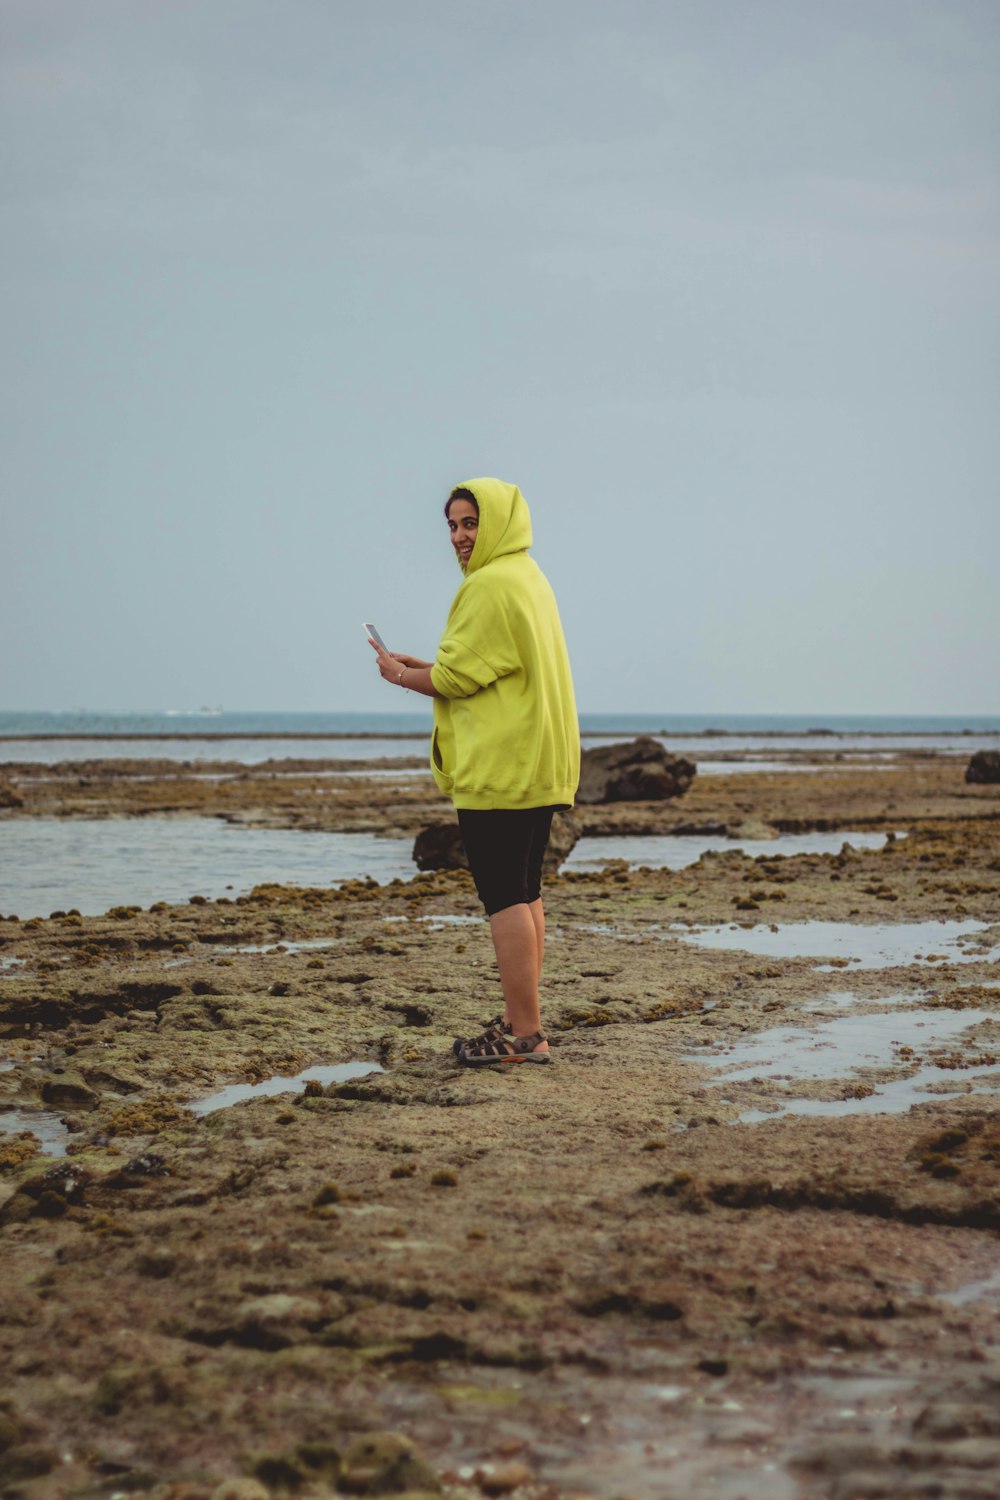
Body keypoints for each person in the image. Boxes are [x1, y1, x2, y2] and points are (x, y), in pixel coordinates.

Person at [370, 477, 579, 1066]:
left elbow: (458, 679)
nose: (461, 537)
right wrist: (428, 664)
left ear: (499, 523)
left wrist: (400, 674)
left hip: (500, 766)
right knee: (527, 890)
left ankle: (524, 1036)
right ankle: (522, 1022)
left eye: (471, 523)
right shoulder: (528, 579)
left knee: (503, 896)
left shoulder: (488, 586)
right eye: (453, 526)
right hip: (535, 761)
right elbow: (490, 666)